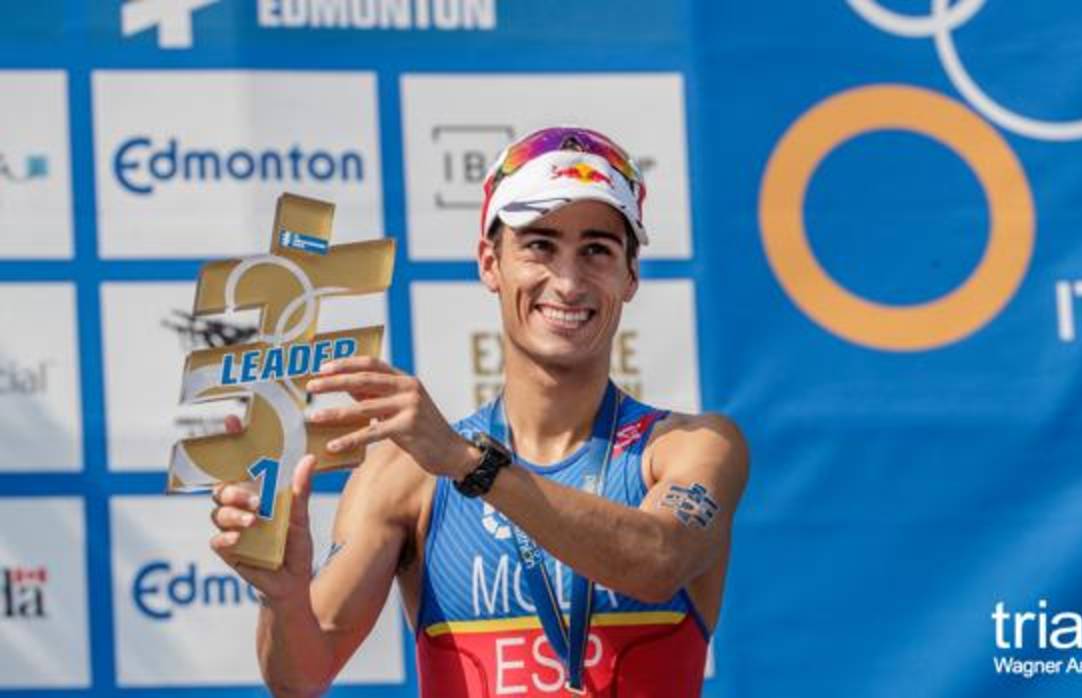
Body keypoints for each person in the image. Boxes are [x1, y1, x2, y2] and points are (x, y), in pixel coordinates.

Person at [209, 126, 749, 696]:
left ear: (629, 275)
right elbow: (301, 676)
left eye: (596, 250)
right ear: (490, 263)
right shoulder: (408, 471)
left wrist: (473, 466)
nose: (567, 282)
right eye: (539, 245)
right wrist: (283, 596)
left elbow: (656, 561)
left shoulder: (694, 446)